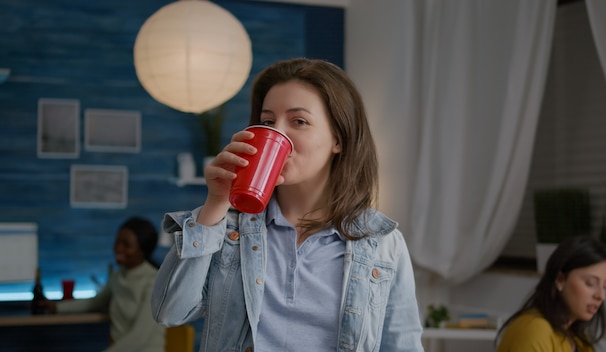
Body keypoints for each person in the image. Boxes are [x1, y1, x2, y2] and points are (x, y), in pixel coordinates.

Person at [151, 58, 424, 351]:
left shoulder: (382, 243)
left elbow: (402, 344)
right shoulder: (227, 229)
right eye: (268, 122)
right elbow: (169, 312)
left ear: (338, 138)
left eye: (299, 121)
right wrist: (215, 204)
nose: (277, 133)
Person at [43, 216, 165, 352]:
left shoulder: (154, 282)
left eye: (126, 245)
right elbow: (95, 303)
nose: (118, 248)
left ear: (142, 251)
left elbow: (140, 338)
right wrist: (57, 308)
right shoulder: (118, 276)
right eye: (117, 242)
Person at [496, 236, 606, 352]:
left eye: (605, 286)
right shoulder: (534, 330)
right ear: (560, 279)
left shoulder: (578, 339)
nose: (601, 296)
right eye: (590, 283)